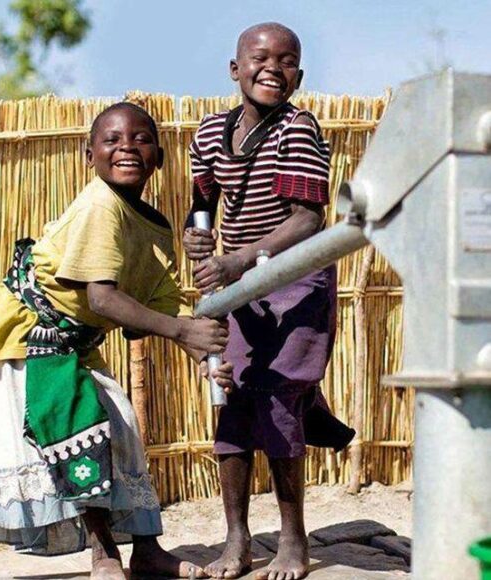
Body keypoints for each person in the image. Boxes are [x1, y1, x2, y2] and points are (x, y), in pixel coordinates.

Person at [0, 102, 233, 580]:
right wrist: (182, 331)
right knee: (78, 435)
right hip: (28, 336)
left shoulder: (154, 227)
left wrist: (202, 353)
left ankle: (147, 551)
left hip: (75, 339)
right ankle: (104, 554)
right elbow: (103, 298)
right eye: (112, 140)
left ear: (159, 158)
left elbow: (164, 303)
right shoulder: (100, 205)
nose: (127, 148)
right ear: (89, 155)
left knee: (123, 430)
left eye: (141, 139)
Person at [183, 23, 355, 580]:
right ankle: (236, 540)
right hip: (241, 286)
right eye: (260, 58)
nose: (272, 69)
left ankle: (293, 540)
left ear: (298, 77)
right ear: (235, 69)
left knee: (278, 395)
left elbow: (308, 220)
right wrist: (196, 237)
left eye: (286, 61)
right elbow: (201, 203)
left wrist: (238, 260)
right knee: (232, 396)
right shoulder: (211, 133)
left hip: (295, 281)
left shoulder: (297, 130)